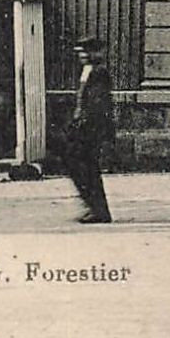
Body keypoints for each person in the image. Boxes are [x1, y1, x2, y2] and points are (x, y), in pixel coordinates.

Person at [64, 36, 115, 223]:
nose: (83, 55)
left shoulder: (99, 72)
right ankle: (95, 208)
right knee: (81, 167)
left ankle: (98, 210)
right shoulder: (87, 70)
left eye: (87, 52)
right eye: (81, 52)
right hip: (84, 127)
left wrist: (83, 123)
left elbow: (98, 104)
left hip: (90, 128)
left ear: (97, 53)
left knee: (86, 168)